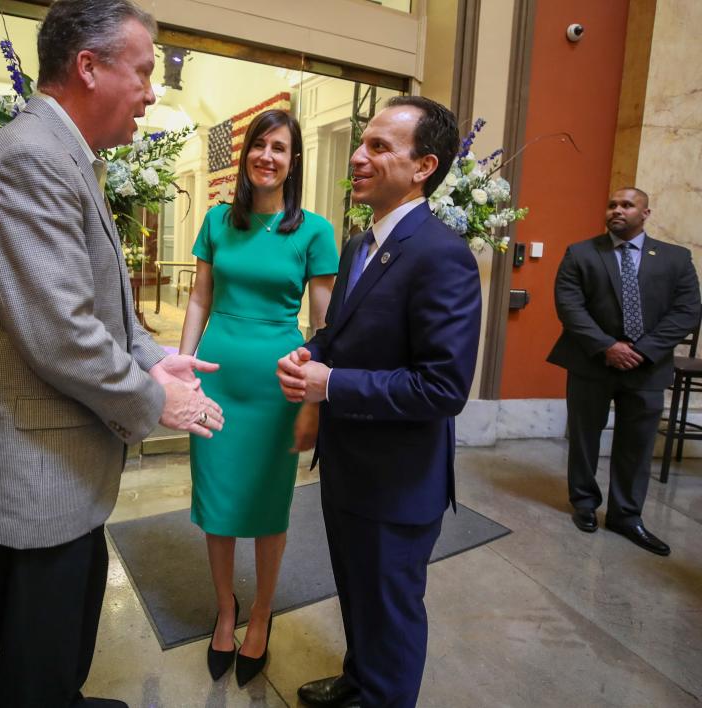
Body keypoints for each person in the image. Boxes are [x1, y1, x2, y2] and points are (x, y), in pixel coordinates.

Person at [0, 1, 223, 706]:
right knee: (38, 663)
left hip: (56, 467)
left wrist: (151, 357)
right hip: (31, 472)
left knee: (61, 643)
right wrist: (160, 400)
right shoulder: (29, 159)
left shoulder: (64, 155)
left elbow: (91, 301)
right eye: (146, 70)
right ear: (87, 68)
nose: (154, 92)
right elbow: (62, 333)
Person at [277, 96, 482, 708]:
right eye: (361, 144)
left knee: (390, 611)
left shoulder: (442, 255)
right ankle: (358, 682)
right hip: (350, 468)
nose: (359, 159)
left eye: (378, 148)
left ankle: (381, 692)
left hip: (396, 483)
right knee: (358, 593)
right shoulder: (358, 244)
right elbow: (342, 333)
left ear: (423, 167)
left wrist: (331, 386)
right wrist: (311, 354)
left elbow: (443, 387)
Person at [179, 109, 338, 687]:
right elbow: (199, 299)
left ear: (294, 161)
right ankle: (226, 609)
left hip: (279, 386)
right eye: (258, 146)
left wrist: (314, 402)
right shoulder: (219, 220)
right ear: (245, 155)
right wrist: (184, 370)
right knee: (217, 504)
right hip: (217, 377)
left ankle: (262, 614)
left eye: (280, 148)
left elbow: (324, 327)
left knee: (269, 508)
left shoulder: (314, 231)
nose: (267, 156)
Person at [547, 187, 699, 556]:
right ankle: (584, 503)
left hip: (647, 368)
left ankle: (626, 515)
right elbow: (569, 306)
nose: (617, 210)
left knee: (637, 443)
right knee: (584, 437)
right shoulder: (581, 253)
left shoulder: (676, 258)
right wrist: (607, 347)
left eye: (627, 205)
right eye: (612, 204)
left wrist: (643, 350)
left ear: (645, 213)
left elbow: (687, 310)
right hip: (591, 362)